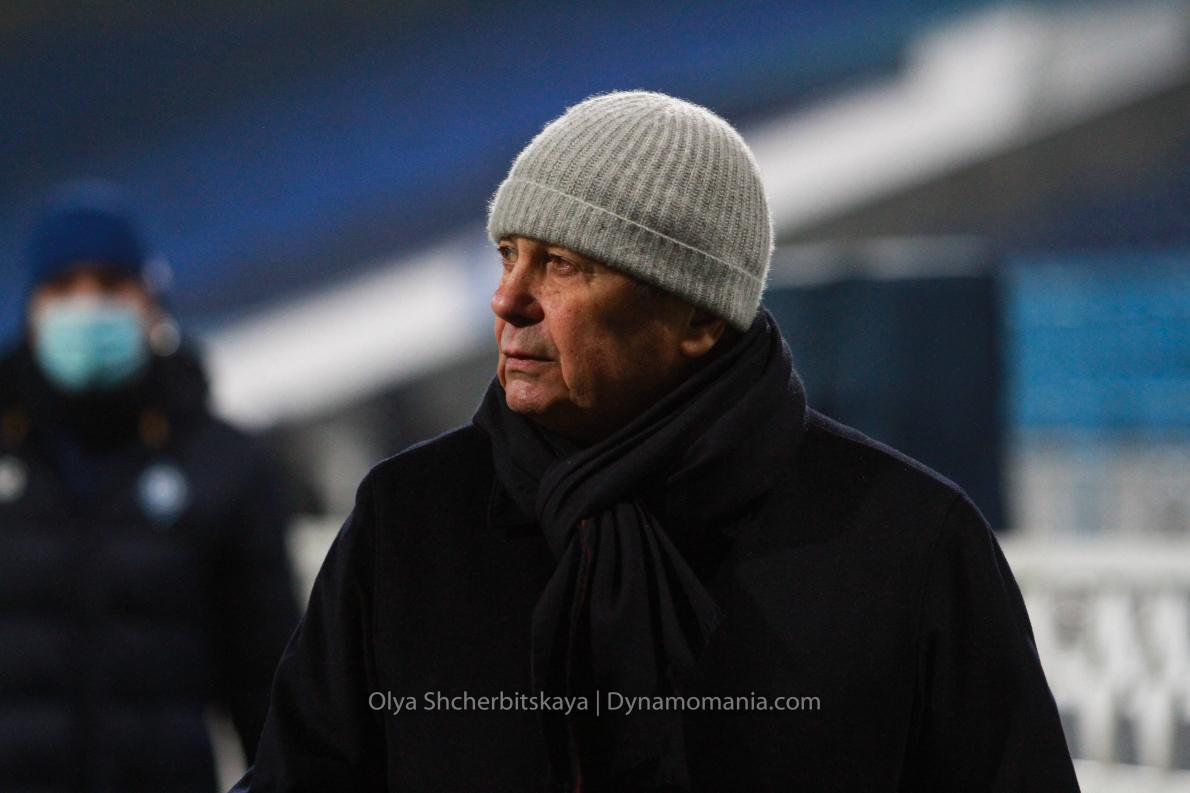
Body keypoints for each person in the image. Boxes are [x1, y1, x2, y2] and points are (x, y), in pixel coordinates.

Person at [235, 92, 1079, 791]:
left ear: (698, 316)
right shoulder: (410, 519)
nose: (508, 299)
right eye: (507, 255)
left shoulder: (907, 540)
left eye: (563, 264)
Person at [0, 184, 300, 793]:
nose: (87, 307)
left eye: (110, 285)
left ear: (149, 300)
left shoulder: (222, 466)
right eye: (63, 288)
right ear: (31, 309)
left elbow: (270, 685)